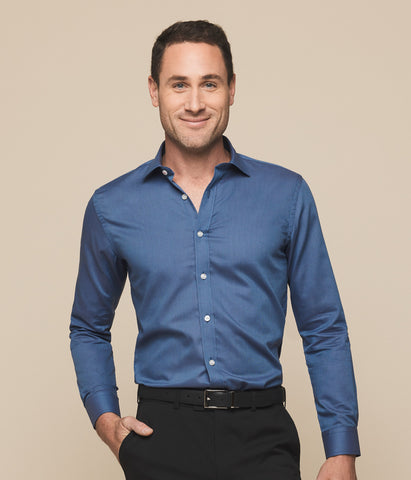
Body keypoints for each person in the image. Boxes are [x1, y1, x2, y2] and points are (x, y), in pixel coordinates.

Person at [70, 20, 360, 480]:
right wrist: (107, 422)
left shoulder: (286, 195)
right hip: (160, 437)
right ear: (154, 90)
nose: (194, 103)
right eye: (178, 84)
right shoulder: (112, 206)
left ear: (231, 89)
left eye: (210, 83)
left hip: (263, 435)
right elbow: (88, 326)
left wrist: (341, 449)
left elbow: (324, 326)